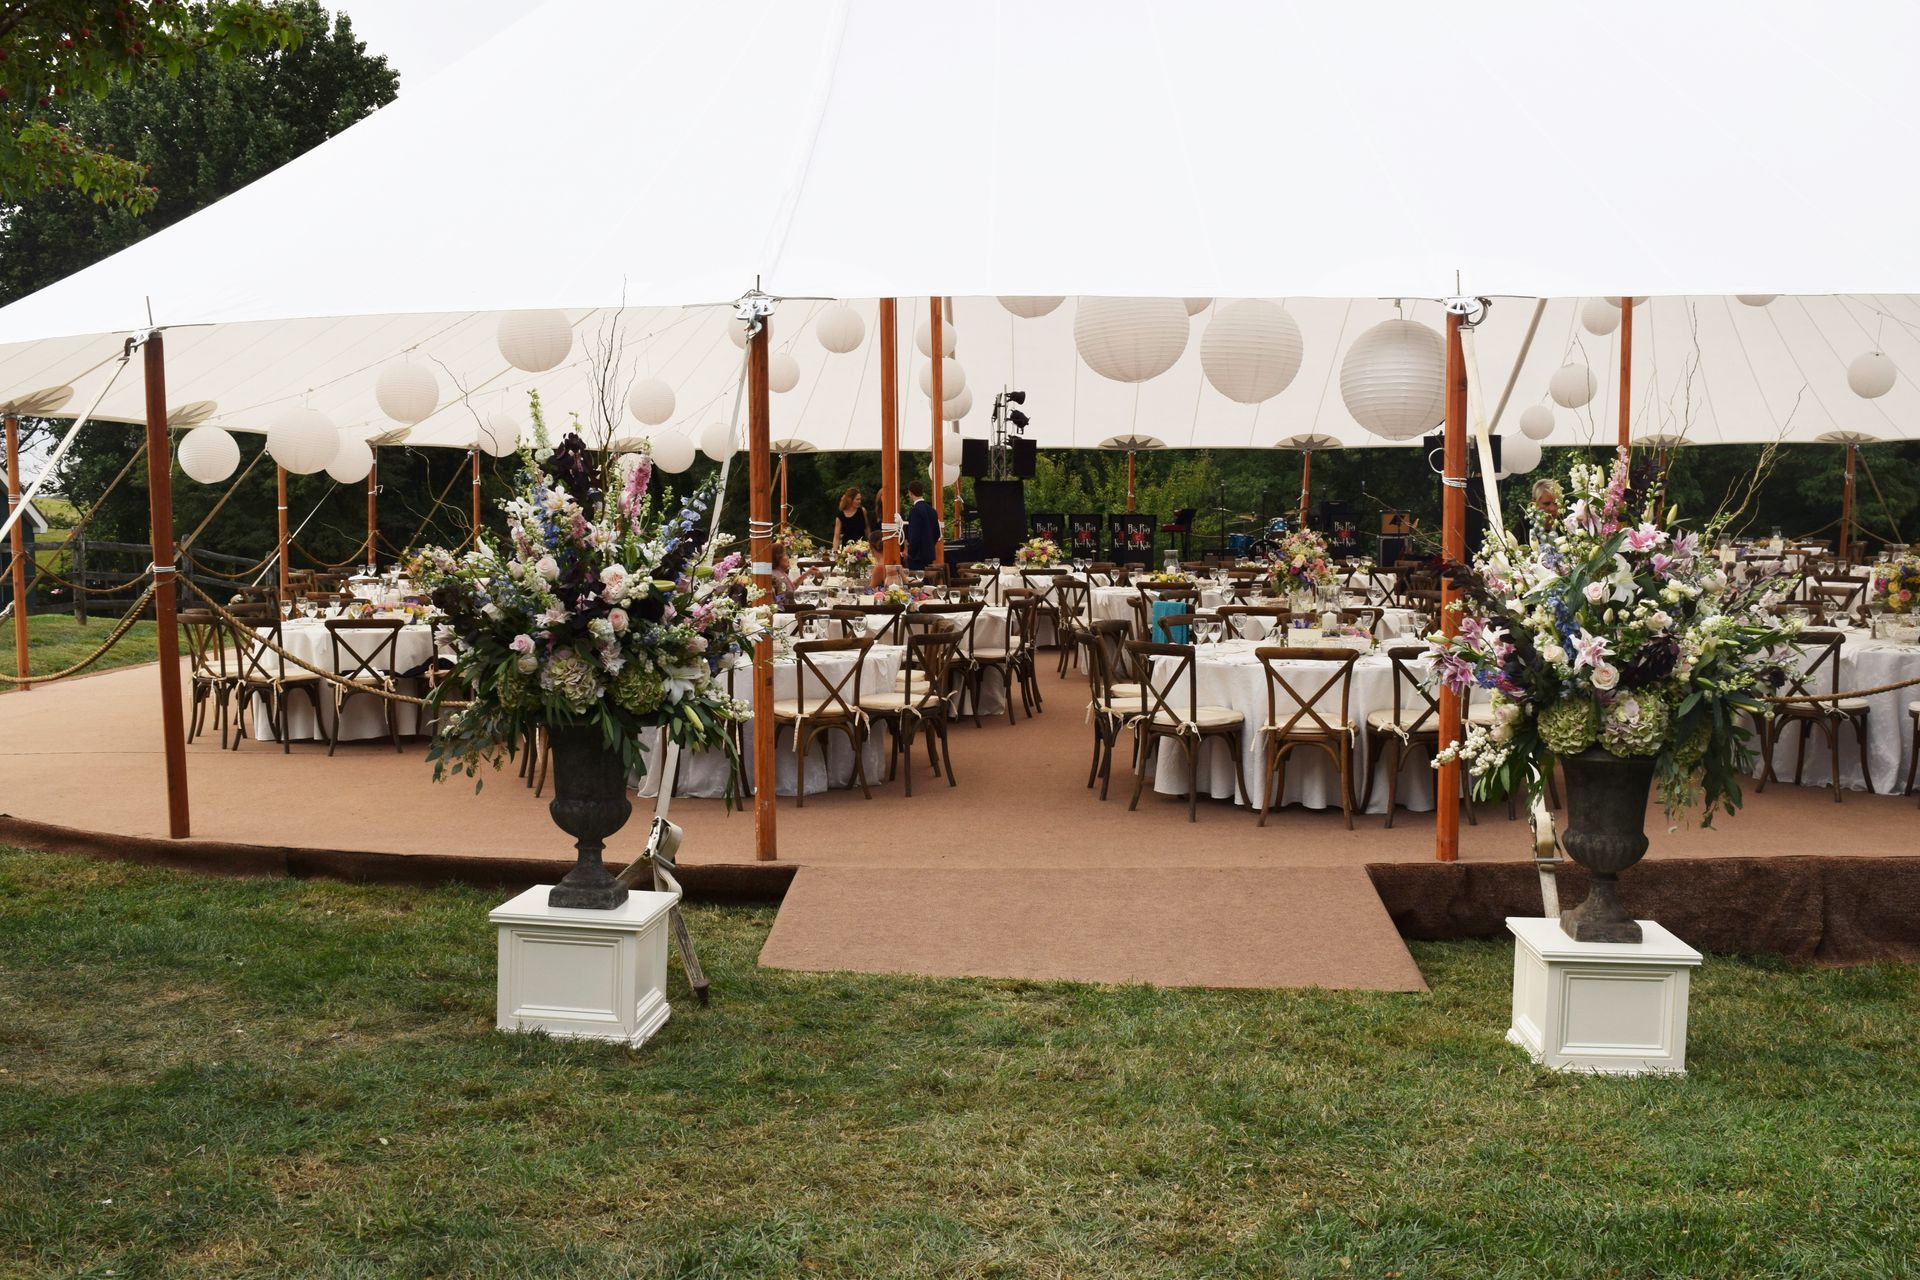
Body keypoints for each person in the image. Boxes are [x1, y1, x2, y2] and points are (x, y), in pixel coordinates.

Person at [904, 477, 940, 571]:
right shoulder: (932, 510)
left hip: (917, 557)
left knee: (918, 579)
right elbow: (937, 533)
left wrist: (910, 552)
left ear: (910, 493)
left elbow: (915, 535)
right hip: (929, 555)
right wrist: (929, 545)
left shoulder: (915, 511)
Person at [830, 487, 870, 551]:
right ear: (850, 500)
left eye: (860, 499)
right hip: (847, 549)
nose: (859, 501)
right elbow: (836, 537)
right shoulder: (840, 516)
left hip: (862, 548)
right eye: (857, 499)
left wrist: (870, 544)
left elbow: (867, 528)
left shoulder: (862, 511)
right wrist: (835, 551)